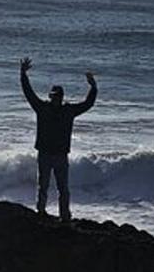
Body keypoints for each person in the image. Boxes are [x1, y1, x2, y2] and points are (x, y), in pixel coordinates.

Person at [19, 57, 97, 222]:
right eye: (54, 97)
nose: (56, 99)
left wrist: (93, 87)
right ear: (50, 96)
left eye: (58, 97)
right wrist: (23, 74)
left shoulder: (68, 111)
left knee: (63, 189)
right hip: (45, 154)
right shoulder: (42, 108)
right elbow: (29, 93)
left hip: (61, 155)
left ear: (62, 97)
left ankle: (65, 216)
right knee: (43, 186)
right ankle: (40, 213)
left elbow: (87, 104)